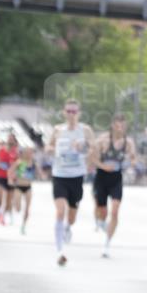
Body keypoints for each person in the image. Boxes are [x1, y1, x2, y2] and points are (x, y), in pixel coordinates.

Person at [46, 100, 95, 266]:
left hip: (77, 176)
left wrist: (82, 147)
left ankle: (67, 227)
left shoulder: (85, 130)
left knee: (72, 216)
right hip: (60, 175)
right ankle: (60, 251)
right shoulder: (58, 130)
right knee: (60, 211)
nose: (71, 114)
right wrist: (54, 150)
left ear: (79, 113)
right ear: (64, 112)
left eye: (74, 111)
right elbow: (48, 147)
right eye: (68, 111)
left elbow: (93, 148)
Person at [91, 115, 136, 258]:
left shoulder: (128, 142)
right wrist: (104, 166)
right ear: (112, 126)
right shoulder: (103, 140)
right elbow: (93, 158)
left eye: (123, 126)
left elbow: (133, 158)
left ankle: (107, 244)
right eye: (118, 126)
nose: (120, 129)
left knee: (115, 211)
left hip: (116, 178)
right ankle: (100, 221)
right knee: (102, 211)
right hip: (102, 177)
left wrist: (131, 163)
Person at [9, 146, 36, 234]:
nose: (29, 154)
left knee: (27, 209)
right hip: (19, 187)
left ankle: (23, 225)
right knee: (18, 208)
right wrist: (10, 180)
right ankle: (14, 205)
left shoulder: (33, 162)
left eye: (30, 152)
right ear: (24, 153)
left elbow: (39, 171)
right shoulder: (19, 162)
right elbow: (10, 171)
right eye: (27, 152)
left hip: (28, 187)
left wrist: (42, 175)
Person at [0, 132, 19, 225]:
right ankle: (1, 214)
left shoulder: (16, 152)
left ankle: (2, 214)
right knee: (2, 196)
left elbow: (19, 165)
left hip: (11, 178)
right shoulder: (1, 150)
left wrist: (16, 172)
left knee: (9, 199)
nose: (10, 140)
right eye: (9, 138)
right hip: (1, 176)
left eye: (12, 138)